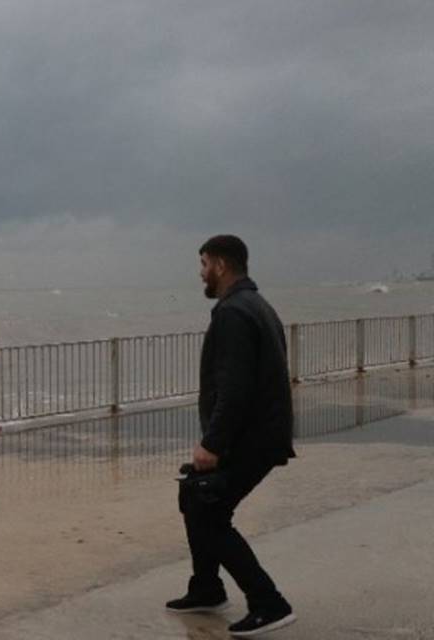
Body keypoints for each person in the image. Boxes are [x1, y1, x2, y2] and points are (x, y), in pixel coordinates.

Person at [166, 235, 297, 637]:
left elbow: (235, 388)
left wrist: (213, 444)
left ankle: (268, 603)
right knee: (194, 495)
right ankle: (206, 588)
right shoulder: (254, 305)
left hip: (250, 438)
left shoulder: (234, 313)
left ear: (221, 265)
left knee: (208, 514)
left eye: (204, 264)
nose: (201, 273)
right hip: (258, 433)